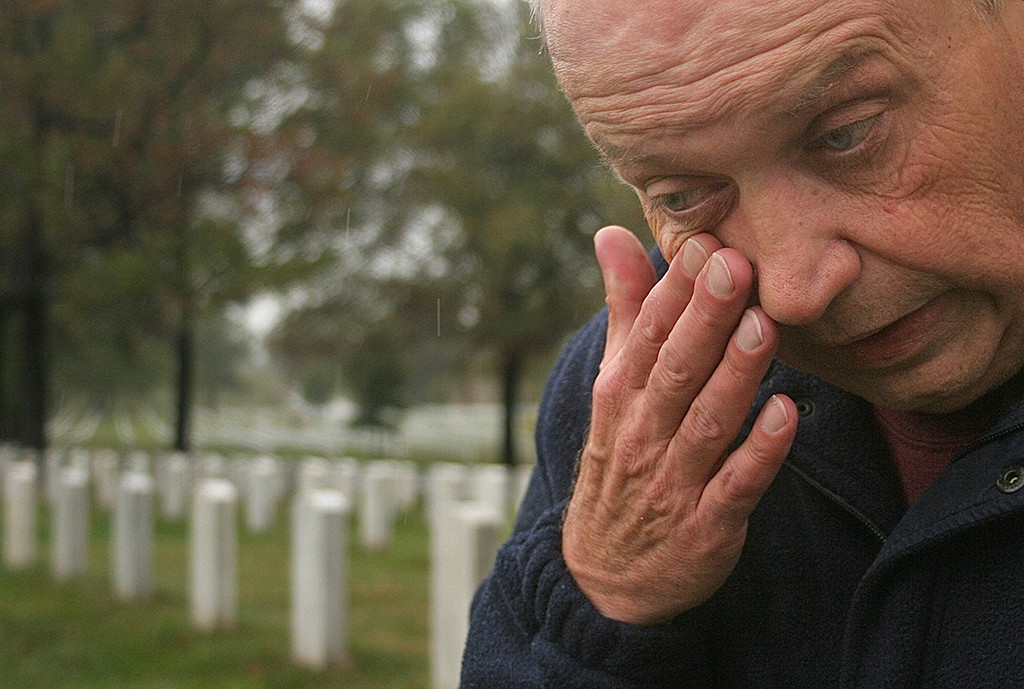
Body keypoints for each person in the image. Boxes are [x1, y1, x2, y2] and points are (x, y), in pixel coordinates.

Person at [459, 0, 1024, 686]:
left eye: (849, 134)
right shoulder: (635, 393)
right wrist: (606, 603)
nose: (792, 292)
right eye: (682, 196)